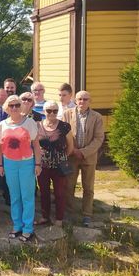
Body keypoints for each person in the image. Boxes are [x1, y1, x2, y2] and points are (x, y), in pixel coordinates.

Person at [0, 95, 42, 242]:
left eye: (16, 105)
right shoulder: (2, 124)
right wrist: (0, 164)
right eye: (11, 106)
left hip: (26, 163)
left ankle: (28, 229)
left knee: (27, 197)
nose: (14, 108)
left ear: (20, 106)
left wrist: (38, 164)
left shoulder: (29, 123)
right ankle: (17, 226)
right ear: (7, 108)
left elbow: (36, 145)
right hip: (9, 164)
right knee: (14, 196)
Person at [62, 91, 104, 227]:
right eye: (79, 99)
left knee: (88, 188)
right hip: (72, 156)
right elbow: (62, 134)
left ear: (90, 101)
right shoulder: (67, 114)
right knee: (68, 186)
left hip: (88, 158)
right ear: (75, 100)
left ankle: (87, 214)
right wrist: (73, 150)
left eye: (85, 99)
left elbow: (99, 139)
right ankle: (69, 213)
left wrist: (83, 152)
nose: (82, 102)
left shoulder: (97, 117)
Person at [36, 101, 74, 227]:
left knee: (59, 193)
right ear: (44, 111)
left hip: (59, 166)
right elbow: (35, 146)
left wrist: (62, 158)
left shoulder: (64, 126)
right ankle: (45, 216)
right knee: (44, 192)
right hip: (43, 165)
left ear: (58, 112)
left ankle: (59, 218)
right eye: (49, 110)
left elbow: (70, 147)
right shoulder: (37, 126)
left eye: (55, 111)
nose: (52, 113)